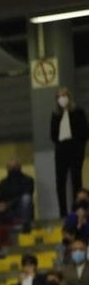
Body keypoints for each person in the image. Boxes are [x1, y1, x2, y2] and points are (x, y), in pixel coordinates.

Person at [51, 86, 88, 217]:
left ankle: (77, 209)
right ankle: (62, 212)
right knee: (60, 181)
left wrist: (79, 146)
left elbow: (85, 132)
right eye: (59, 97)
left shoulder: (78, 112)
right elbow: (53, 135)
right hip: (61, 148)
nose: (62, 99)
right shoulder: (55, 115)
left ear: (69, 97)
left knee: (76, 179)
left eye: (64, 96)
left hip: (75, 147)